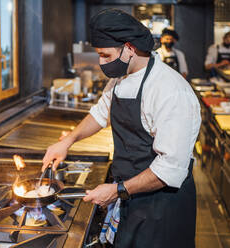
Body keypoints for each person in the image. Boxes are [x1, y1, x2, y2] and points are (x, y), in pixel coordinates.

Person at [42, 8, 201, 248]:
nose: (101, 62)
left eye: (105, 55)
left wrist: (116, 190)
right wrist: (68, 140)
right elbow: (100, 113)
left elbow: (168, 169)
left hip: (162, 206)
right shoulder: (121, 78)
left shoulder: (170, 90)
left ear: (129, 48)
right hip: (130, 194)